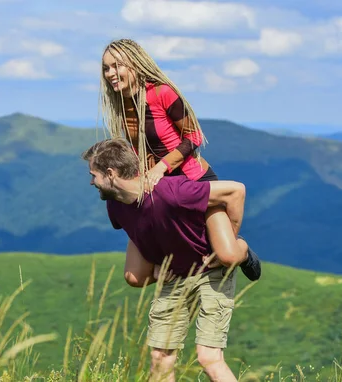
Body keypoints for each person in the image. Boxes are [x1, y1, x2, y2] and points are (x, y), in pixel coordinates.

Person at [82, 138, 252, 382]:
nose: (91, 182)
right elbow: (143, 230)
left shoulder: (171, 192)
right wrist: (154, 268)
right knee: (160, 359)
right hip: (175, 277)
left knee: (208, 358)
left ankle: (243, 249)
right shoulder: (115, 206)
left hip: (210, 271)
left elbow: (237, 190)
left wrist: (230, 241)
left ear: (110, 174)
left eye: (94, 175)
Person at [99, 38, 261, 280]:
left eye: (117, 65)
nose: (111, 73)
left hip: (195, 182)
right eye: (106, 68)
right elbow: (138, 151)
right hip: (163, 192)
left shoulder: (162, 92)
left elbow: (194, 136)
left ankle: (243, 250)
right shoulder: (123, 106)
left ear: (135, 64)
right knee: (136, 277)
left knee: (227, 256)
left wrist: (162, 167)